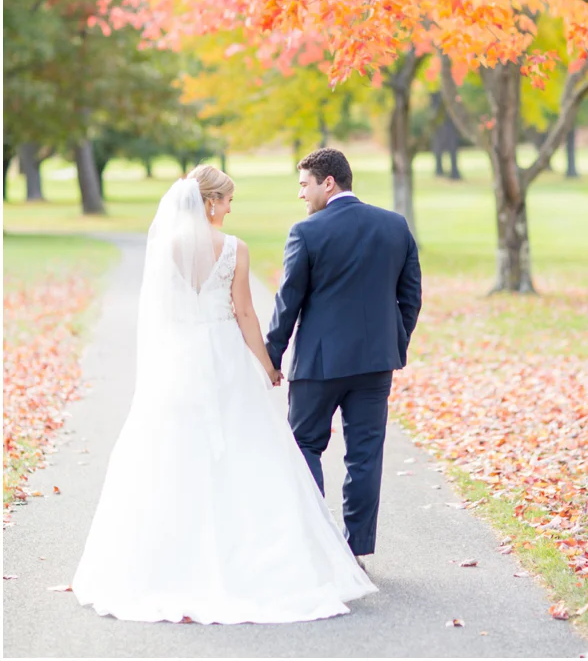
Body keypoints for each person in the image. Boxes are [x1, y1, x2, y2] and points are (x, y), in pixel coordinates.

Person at [72, 165, 375, 623]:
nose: (232, 207)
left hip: (177, 361)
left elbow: (160, 311)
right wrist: (268, 364)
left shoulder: (166, 247)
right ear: (211, 201)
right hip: (223, 358)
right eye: (229, 199)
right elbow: (246, 315)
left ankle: (164, 564)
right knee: (246, 451)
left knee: (173, 454)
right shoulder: (233, 248)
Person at [266, 147, 423, 568]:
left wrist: (271, 357)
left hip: (318, 366)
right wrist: (393, 344)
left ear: (327, 182)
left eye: (304, 185)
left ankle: (315, 546)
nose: (301, 195)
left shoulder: (308, 232)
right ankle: (356, 552)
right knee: (365, 455)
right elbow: (410, 297)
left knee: (303, 447)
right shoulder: (394, 226)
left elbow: (288, 302)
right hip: (375, 364)